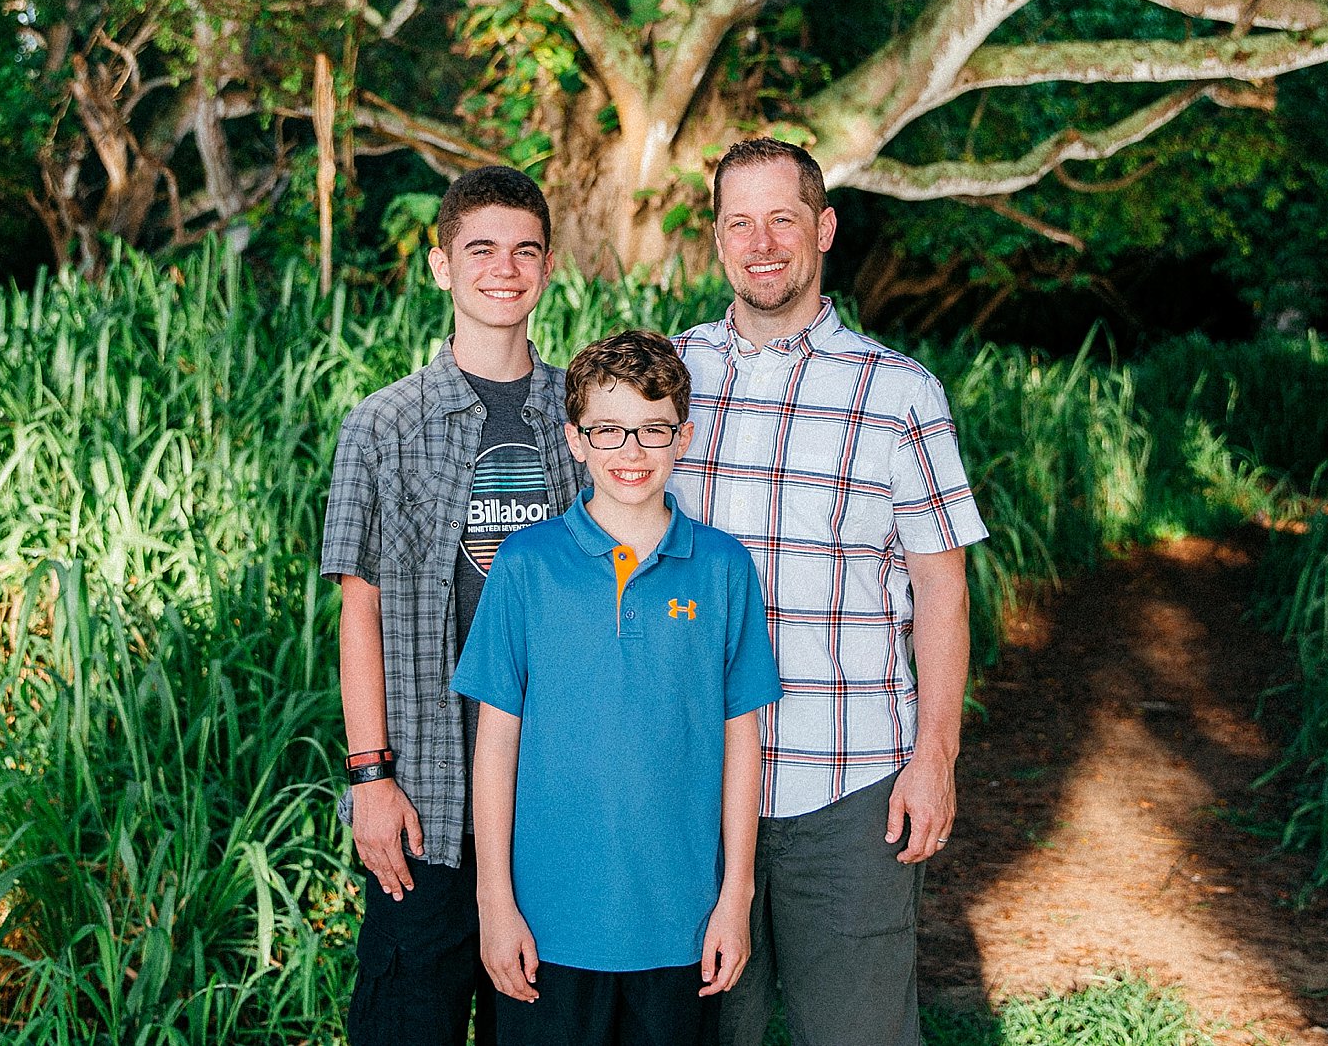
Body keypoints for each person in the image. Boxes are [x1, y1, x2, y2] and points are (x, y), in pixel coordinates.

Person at [672, 137, 989, 1046]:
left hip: (848, 783)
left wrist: (935, 757)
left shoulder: (898, 393)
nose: (761, 241)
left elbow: (943, 593)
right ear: (718, 236)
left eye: (783, 218)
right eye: (740, 221)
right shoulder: (669, 380)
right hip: (694, 782)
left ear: (825, 227)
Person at [319, 165, 590, 1046]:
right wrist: (371, 777)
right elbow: (357, 607)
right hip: (427, 800)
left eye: (524, 250)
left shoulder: (582, 418)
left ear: (547, 267)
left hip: (549, 799)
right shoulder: (383, 424)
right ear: (441, 265)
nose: (503, 269)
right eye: (480, 249)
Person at [454, 330, 782, 1046]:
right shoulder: (526, 564)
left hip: (680, 924)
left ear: (683, 435)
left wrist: (736, 898)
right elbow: (496, 741)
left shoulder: (723, 569)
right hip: (547, 926)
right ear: (576, 440)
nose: (631, 451)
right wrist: (495, 901)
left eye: (652, 428)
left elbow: (741, 742)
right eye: (608, 430)